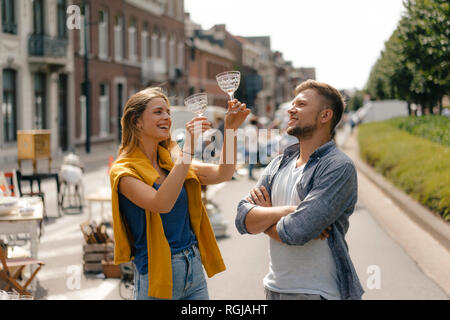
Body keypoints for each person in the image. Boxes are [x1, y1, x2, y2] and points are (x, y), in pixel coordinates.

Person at [110, 87, 250, 300]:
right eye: (158, 112)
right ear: (136, 121)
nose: (166, 117)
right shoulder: (123, 170)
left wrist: (230, 130)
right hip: (157, 274)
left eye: (168, 112)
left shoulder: (171, 161)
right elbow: (161, 203)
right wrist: (188, 149)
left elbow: (223, 173)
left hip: (193, 268)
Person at [235, 80, 364, 300]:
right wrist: (290, 211)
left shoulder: (338, 167)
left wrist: (264, 222)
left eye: (301, 104)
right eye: (292, 103)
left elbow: (297, 231)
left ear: (325, 116)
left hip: (317, 293)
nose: (291, 109)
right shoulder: (278, 164)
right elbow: (241, 219)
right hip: (274, 289)